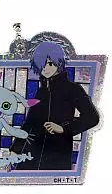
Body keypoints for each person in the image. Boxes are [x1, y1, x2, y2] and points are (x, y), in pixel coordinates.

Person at [10, 41, 100, 170]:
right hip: (31, 154)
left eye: (50, 64)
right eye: (42, 65)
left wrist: (63, 128)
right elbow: (29, 123)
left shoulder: (73, 89)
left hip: (57, 155)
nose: (45, 69)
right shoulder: (41, 92)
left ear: (59, 63)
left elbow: (92, 117)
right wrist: (15, 150)